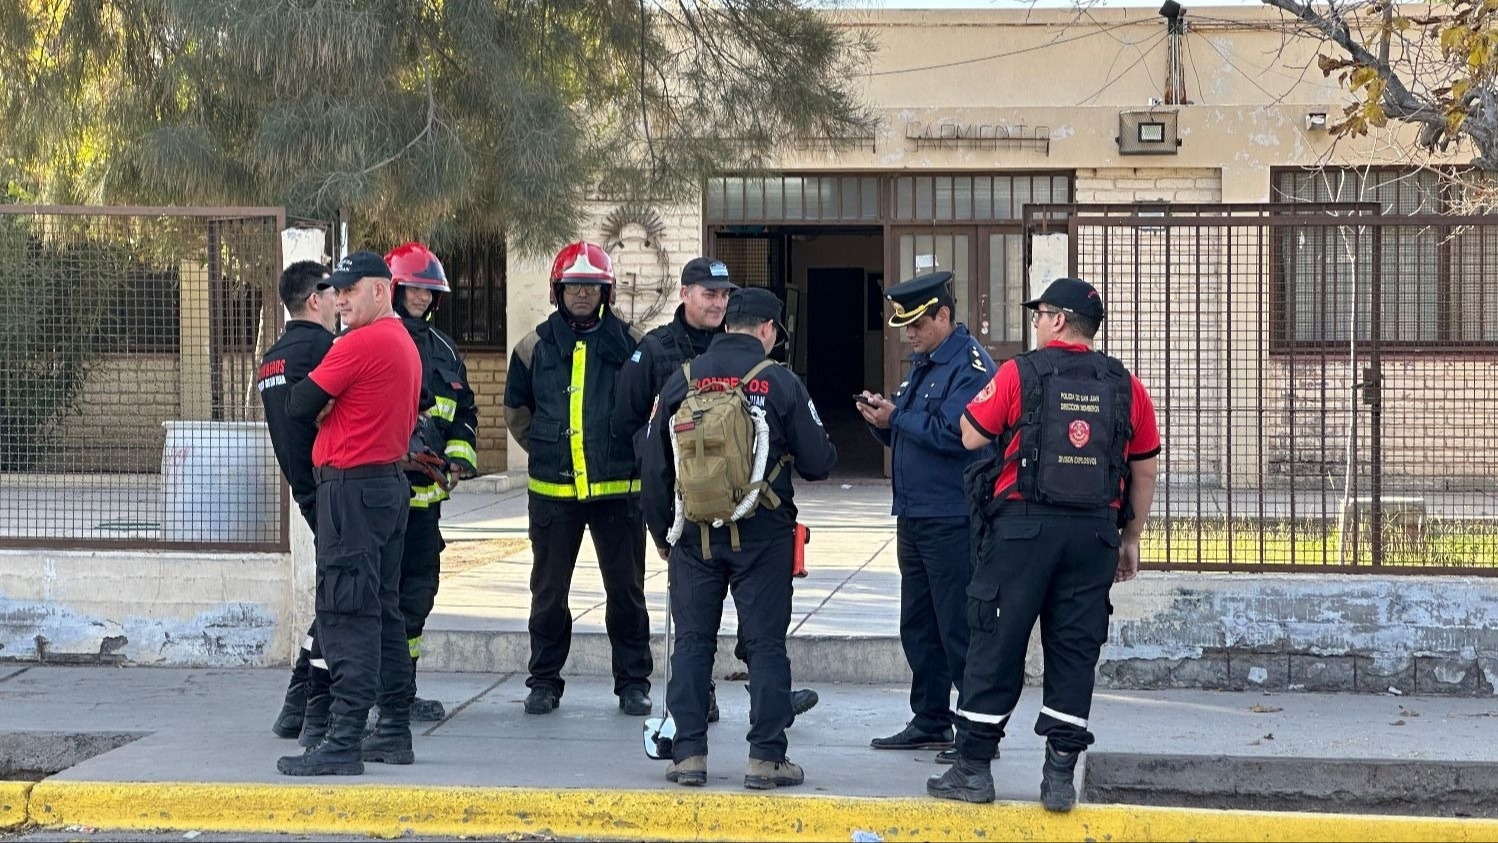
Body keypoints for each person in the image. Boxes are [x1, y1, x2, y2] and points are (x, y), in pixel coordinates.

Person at [926, 277, 1159, 811]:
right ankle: (1058, 777)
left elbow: (970, 434)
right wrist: (1131, 539)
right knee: (1076, 650)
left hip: (1022, 532)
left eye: (1039, 315)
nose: (1035, 324)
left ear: (1056, 320)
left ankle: (974, 769)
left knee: (996, 642)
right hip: (1094, 534)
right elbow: (1144, 468)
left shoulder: (1019, 374)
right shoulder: (1126, 386)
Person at [640, 287, 837, 791]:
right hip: (763, 537)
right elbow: (818, 462)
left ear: (728, 324)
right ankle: (766, 759)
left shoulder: (681, 379)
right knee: (766, 644)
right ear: (768, 330)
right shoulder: (780, 381)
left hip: (694, 535)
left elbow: (655, 464)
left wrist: (663, 532)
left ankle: (688, 756)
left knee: (692, 643)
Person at [612, 256, 819, 723]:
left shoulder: (752, 359)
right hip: (694, 512)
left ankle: (716, 729)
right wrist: (666, 514)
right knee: (699, 634)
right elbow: (632, 427)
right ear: (685, 293)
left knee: (742, 633)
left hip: (748, 516)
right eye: (710, 293)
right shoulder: (658, 351)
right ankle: (721, 715)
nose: (718, 303)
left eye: (725, 295)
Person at [277, 251, 423, 776]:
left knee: (347, 614)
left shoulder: (360, 343)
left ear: (381, 290)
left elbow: (297, 405)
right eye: (335, 290)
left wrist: (326, 404)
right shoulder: (402, 340)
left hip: (352, 492)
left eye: (349, 289)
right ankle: (393, 733)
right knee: (383, 612)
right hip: (384, 486)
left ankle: (342, 742)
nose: (339, 299)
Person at [503, 241, 653, 717]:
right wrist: (551, 451)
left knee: (626, 594)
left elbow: (651, 409)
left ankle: (633, 683)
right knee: (548, 594)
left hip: (618, 495)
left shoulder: (633, 344)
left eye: (591, 286)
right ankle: (544, 681)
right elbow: (516, 412)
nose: (582, 294)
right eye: (574, 287)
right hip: (553, 496)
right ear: (558, 291)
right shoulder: (532, 348)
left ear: (605, 291)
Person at [857, 271, 994, 765]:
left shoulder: (970, 366)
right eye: (904, 325)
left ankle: (975, 730)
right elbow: (911, 433)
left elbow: (958, 435)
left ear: (943, 315)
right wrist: (882, 422)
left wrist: (898, 417)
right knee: (919, 624)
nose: (908, 334)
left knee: (957, 625)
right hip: (914, 513)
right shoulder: (923, 364)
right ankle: (930, 718)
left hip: (952, 514)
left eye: (917, 323)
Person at [384, 242, 480, 723]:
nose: (421, 297)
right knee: (376, 595)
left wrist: (459, 460)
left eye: (429, 291)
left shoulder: (443, 349)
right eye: (414, 288)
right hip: (381, 497)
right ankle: (361, 696)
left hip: (426, 500)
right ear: (395, 288)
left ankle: (402, 692)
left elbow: (463, 414)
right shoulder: (376, 337)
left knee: (417, 596)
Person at [260, 260, 338, 748]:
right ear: (315, 299)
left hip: (304, 486)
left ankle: (296, 704)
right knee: (341, 600)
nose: (340, 302)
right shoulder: (322, 349)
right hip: (332, 485)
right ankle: (311, 705)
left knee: (335, 594)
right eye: (334, 293)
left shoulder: (273, 356)